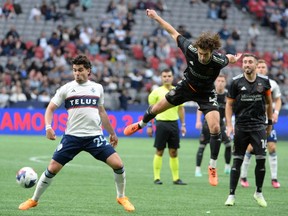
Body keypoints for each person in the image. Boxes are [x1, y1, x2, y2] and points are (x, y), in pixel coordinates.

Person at [124, 8, 242, 187]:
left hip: (205, 94)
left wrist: (235, 58)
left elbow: (229, 58)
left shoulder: (218, 60)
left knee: (216, 127)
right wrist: (156, 17)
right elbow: (172, 31)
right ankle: (140, 124)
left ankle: (212, 167)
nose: (202, 57)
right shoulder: (191, 49)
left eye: (205, 54)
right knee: (156, 109)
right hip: (186, 87)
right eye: (200, 53)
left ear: (211, 52)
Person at [18, 55, 135, 212]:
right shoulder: (66, 89)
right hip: (72, 137)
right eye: (74, 70)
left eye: (80, 70)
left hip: (94, 137)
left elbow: (102, 112)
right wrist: (48, 127)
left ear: (88, 71)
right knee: (52, 168)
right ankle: (34, 200)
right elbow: (50, 108)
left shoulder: (97, 88)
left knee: (118, 164)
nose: (77, 73)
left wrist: (112, 133)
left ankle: (121, 196)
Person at [225, 53, 273, 207]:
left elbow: (269, 103)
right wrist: (229, 125)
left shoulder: (264, 82)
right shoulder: (235, 82)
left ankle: (258, 192)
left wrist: (269, 122)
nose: (246, 64)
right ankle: (231, 195)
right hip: (241, 127)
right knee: (237, 160)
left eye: (250, 62)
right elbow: (229, 104)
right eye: (244, 62)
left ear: (255, 64)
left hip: (259, 127)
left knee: (261, 160)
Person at [240, 59, 282, 188]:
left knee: (272, 147)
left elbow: (278, 99)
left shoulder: (272, 83)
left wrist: (275, 113)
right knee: (251, 148)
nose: (262, 69)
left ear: (267, 69)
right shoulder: (249, 82)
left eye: (264, 67)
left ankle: (274, 178)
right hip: (252, 121)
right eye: (259, 67)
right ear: (256, 68)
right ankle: (243, 176)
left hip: (267, 121)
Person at [146, 68, 187, 185]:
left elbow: (181, 108)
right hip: (161, 124)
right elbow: (151, 110)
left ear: (172, 77)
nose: (167, 78)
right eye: (164, 76)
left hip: (174, 124)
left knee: (174, 152)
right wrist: (149, 125)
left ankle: (176, 178)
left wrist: (183, 124)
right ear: (161, 78)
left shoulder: (178, 91)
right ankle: (156, 178)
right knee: (159, 151)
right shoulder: (155, 93)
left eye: (169, 76)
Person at [195, 74, 231, 177]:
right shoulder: (210, 93)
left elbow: (230, 110)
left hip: (221, 125)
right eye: (218, 80)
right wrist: (198, 121)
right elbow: (200, 107)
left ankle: (227, 166)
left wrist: (229, 125)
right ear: (215, 82)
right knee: (202, 146)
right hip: (207, 125)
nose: (220, 83)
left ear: (225, 83)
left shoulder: (228, 95)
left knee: (228, 144)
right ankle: (197, 169)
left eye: (222, 81)